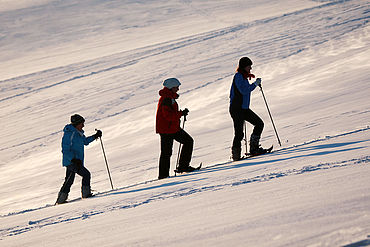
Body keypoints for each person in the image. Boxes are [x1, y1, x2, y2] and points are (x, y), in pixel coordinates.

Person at [56, 114, 102, 204]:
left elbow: (85, 141)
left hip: (76, 161)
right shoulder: (70, 134)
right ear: (76, 124)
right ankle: (86, 194)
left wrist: (95, 136)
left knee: (69, 179)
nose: (83, 125)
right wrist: (73, 159)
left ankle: (61, 200)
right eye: (82, 123)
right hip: (72, 161)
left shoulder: (78, 133)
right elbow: (65, 149)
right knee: (86, 174)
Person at [156, 78, 196, 179]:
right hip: (167, 129)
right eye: (176, 87)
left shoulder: (168, 97)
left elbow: (169, 115)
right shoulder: (167, 99)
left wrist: (180, 114)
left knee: (168, 152)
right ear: (171, 87)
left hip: (170, 128)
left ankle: (169, 173)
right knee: (168, 152)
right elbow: (168, 116)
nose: (178, 89)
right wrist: (180, 114)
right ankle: (177, 169)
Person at [229, 57, 268, 161]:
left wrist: (250, 80)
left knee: (259, 123)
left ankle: (254, 149)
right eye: (249, 66)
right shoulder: (238, 76)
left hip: (243, 108)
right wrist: (255, 84)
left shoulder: (243, 76)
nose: (250, 68)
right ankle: (236, 156)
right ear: (244, 66)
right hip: (237, 109)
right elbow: (243, 90)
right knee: (239, 133)